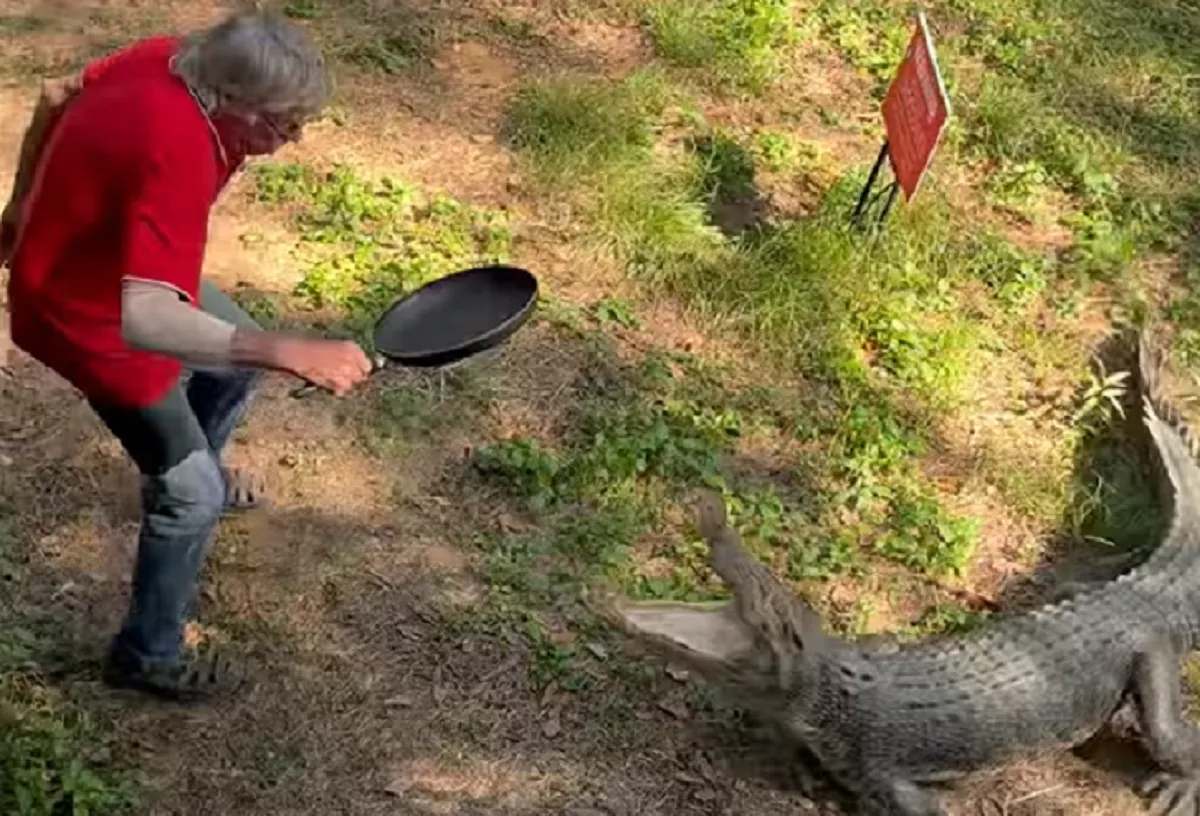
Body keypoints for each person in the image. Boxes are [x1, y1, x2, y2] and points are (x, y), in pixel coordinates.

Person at [0, 10, 373, 702]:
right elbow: (146, 319)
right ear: (225, 98)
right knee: (193, 493)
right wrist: (287, 348)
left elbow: (56, 94)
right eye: (278, 122)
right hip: (85, 315)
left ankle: (188, 461)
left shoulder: (172, 56)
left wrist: (21, 206)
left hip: (95, 269)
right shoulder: (175, 147)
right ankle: (148, 654)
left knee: (235, 362)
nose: (292, 140)